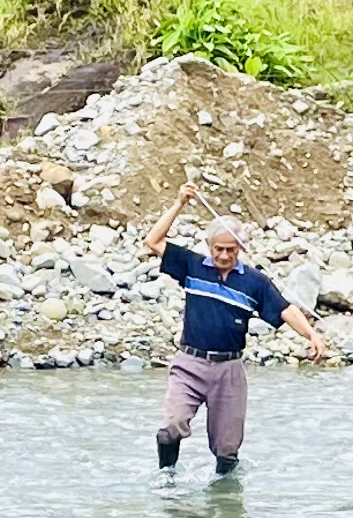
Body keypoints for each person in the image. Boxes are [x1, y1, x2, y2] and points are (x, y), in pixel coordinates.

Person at [140, 183, 332, 475]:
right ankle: (166, 480)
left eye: (231, 249)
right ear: (209, 247)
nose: (224, 255)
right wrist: (179, 203)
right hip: (189, 364)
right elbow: (153, 241)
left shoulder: (255, 282)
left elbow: (285, 309)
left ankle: (225, 496)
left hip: (229, 370)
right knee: (171, 426)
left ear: (241, 248)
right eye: (219, 249)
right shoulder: (192, 266)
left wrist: (311, 334)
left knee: (227, 448)